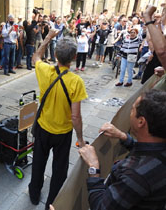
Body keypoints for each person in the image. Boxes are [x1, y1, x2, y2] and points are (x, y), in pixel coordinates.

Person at [29, 29, 87, 210]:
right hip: (62, 133)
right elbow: (75, 116)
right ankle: (52, 203)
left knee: (38, 162)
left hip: (43, 128)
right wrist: (80, 139)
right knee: (59, 171)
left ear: (55, 55)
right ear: (74, 57)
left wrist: (47, 38)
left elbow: (35, 58)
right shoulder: (76, 82)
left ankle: (34, 194)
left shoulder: (44, 70)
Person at [78, 89, 166, 210]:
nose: (130, 112)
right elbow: (148, 151)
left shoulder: (135, 176)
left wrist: (94, 167)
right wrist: (123, 136)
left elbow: (101, 207)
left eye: (132, 109)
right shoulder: (157, 150)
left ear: (141, 121)